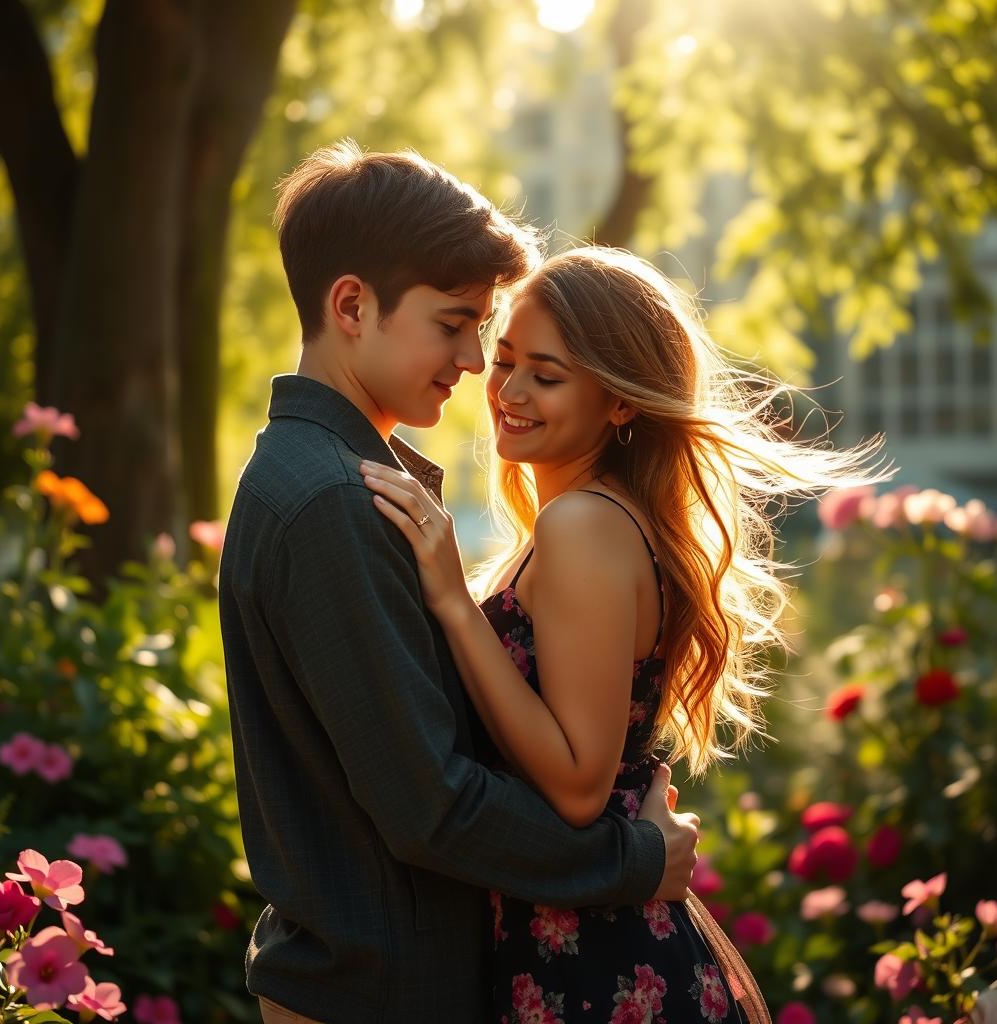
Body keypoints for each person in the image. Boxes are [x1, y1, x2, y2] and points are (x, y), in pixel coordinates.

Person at [218, 144, 702, 1024]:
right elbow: (429, 806)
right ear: (353, 306)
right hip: (376, 993)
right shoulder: (330, 499)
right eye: (455, 324)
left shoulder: (350, 481)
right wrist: (632, 861)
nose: (478, 364)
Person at [362, 245, 886, 1022]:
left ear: (621, 402)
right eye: (505, 361)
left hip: (599, 966)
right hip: (572, 936)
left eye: (548, 374)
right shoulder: (574, 524)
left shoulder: (584, 525)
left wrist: (448, 599)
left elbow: (577, 784)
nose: (510, 391)